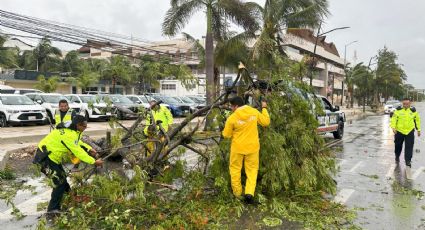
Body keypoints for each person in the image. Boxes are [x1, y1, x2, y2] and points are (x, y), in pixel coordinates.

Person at [33, 115, 103, 213]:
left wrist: (88, 148)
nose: (85, 128)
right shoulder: (69, 134)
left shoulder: (72, 129)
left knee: (62, 177)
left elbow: (77, 142)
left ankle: (70, 197)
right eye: (84, 126)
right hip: (46, 157)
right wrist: (94, 161)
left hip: (52, 157)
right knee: (59, 183)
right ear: (78, 125)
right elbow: (77, 150)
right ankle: (53, 209)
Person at [222, 96, 270, 203]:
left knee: (235, 170)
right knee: (252, 170)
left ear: (236, 106)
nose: (232, 109)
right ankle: (249, 193)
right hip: (252, 147)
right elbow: (266, 122)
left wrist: (230, 128)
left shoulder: (232, 118)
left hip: (237, 148)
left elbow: (226, 135)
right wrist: (264, 108)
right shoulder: (253, 112)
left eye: (232, 107)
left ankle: (237, 194)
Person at [390, 98, 421, 179]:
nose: (405, 105)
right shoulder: (398, 110)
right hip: (399, 131)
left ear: (410, 104)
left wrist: (418, 130)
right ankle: (397, 155)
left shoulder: (413, 111)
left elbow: (417, 120)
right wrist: (393, 127)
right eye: (404, 104)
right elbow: (393, 119)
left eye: (407, 104)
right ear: (402, 104)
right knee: (398, 145)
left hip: (409, 131)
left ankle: (408, 161)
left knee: (409, 147)